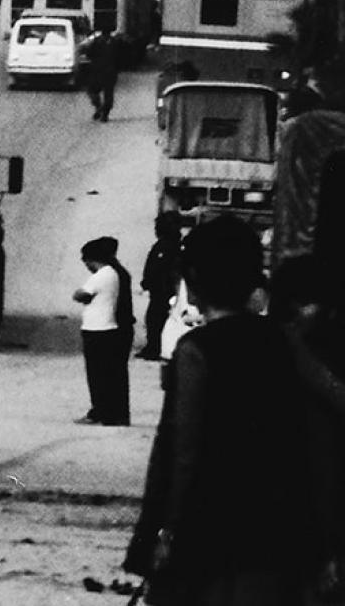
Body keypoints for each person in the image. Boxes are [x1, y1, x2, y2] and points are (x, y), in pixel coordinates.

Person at [125, 217, 321, 600]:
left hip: (210, 534)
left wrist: (166, 534)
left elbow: (183, 454)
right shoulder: (286, 341)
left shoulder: (196, 351)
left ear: (194, 278)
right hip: (276, 533)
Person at [72, 236, 134, 426]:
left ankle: (102, 411)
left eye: (86, 261)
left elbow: (80, 294)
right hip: (116, 328)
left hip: (100, 329)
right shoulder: (118, 272)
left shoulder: (103, 274)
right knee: (114, 374)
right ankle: (115, 413)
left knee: (99, 374)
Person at [139, 213, 183, 361]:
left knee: (155, 319)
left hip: (162, 290)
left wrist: (150, 282)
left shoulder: (167, 246)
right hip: (160, 289)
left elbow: (161, 269)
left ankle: (154, 348)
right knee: (154, 318)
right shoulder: (169, 244)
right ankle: (153, 346)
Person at [79, 29, 118, 122]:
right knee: (109, 93)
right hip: (111, 70)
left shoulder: (96, 41)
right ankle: (105, 113)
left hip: (97, 70)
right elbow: (120, 56)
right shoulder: (115, 42)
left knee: (92, 90)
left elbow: (89, 53)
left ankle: (99, 107)